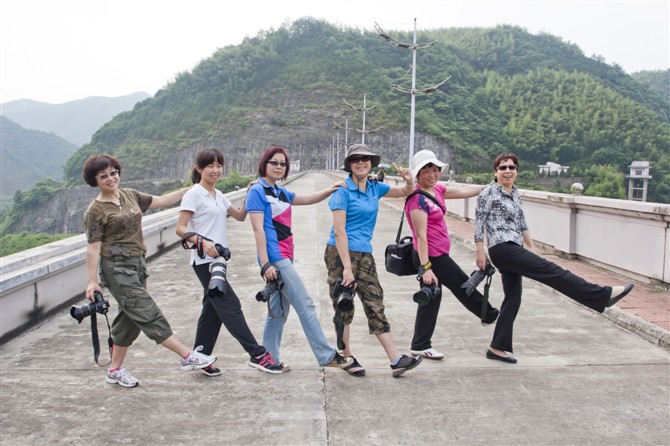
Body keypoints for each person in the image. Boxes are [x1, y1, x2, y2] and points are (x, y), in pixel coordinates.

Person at [474, 152, 634, 364]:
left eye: (512, 167)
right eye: (502, 167)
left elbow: (522, 223)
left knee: (513, 297)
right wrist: (480, 250)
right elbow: (479, 222)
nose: (507, 171)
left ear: (517, 171)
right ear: (495, 172)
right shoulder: (489, 192)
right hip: (502, 248)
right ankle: (602, 295)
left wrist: (531, 247)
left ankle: (497, 347)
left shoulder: (515, 193)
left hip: (514, 246)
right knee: (553, 272)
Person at [82, 154, 216, 388]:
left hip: (137, 265)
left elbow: (162, 200)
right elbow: (93, 247)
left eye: (113, 173)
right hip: (116, 269)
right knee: (146, 311)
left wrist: (194, 188)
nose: (111, 178)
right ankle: (187, 355)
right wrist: (92, 282)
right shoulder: (95, 211)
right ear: (95, 180)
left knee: (130, 318)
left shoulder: (129, 195)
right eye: (104, 176)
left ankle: (114, 370)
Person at [246, 146, 353, 372]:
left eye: (283, 164)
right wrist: (265, 264)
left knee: (278, 311)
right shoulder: (257, 191)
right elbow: (257, 230)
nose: (279, 167)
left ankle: (266, 358)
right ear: (264, 164)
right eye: (274, 162)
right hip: (276, 259)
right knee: (306, 305)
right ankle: (326, 355)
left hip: (286, 256)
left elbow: (307, 199)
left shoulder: (279, 191)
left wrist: (331, 189)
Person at [176, 149, 281, 376]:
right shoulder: (194, 194)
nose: (216, 170)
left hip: (219, 260)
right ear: (199, 169)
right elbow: (180, 228)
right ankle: (258, 354)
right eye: (210, 166)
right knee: (230, 305)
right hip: (204, 261)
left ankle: (200, 356)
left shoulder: (218, 194)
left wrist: (250, 193)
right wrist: (202, 242)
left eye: (219, 166)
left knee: (212, 310)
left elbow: (240, 216)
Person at [324, 143, 423, 378]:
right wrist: (347, 268)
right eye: (355, 159)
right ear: (349, 164)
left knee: (375, 301)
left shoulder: (375, 187)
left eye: (365, 159)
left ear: (371, 163)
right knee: (344, 305)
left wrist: (410, 181)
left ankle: (396, 360)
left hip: (365, 253)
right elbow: (339, 232)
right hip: (340, 253)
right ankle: (347, 357)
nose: (361, 162)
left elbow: (405, 192)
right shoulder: (342, 191)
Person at [405, 150, 500, 360]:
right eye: (426, 171)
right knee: (463, 286)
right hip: (431, 257)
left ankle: (420, 344)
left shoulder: (437, 190)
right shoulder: (417, 199)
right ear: (417, 174)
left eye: (435, 170)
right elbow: (420, 236)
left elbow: (464, 191)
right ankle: (491, 315)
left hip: (437, 254)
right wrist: (426, 268)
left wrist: (490, 187)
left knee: (432, 298)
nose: (432, 174)